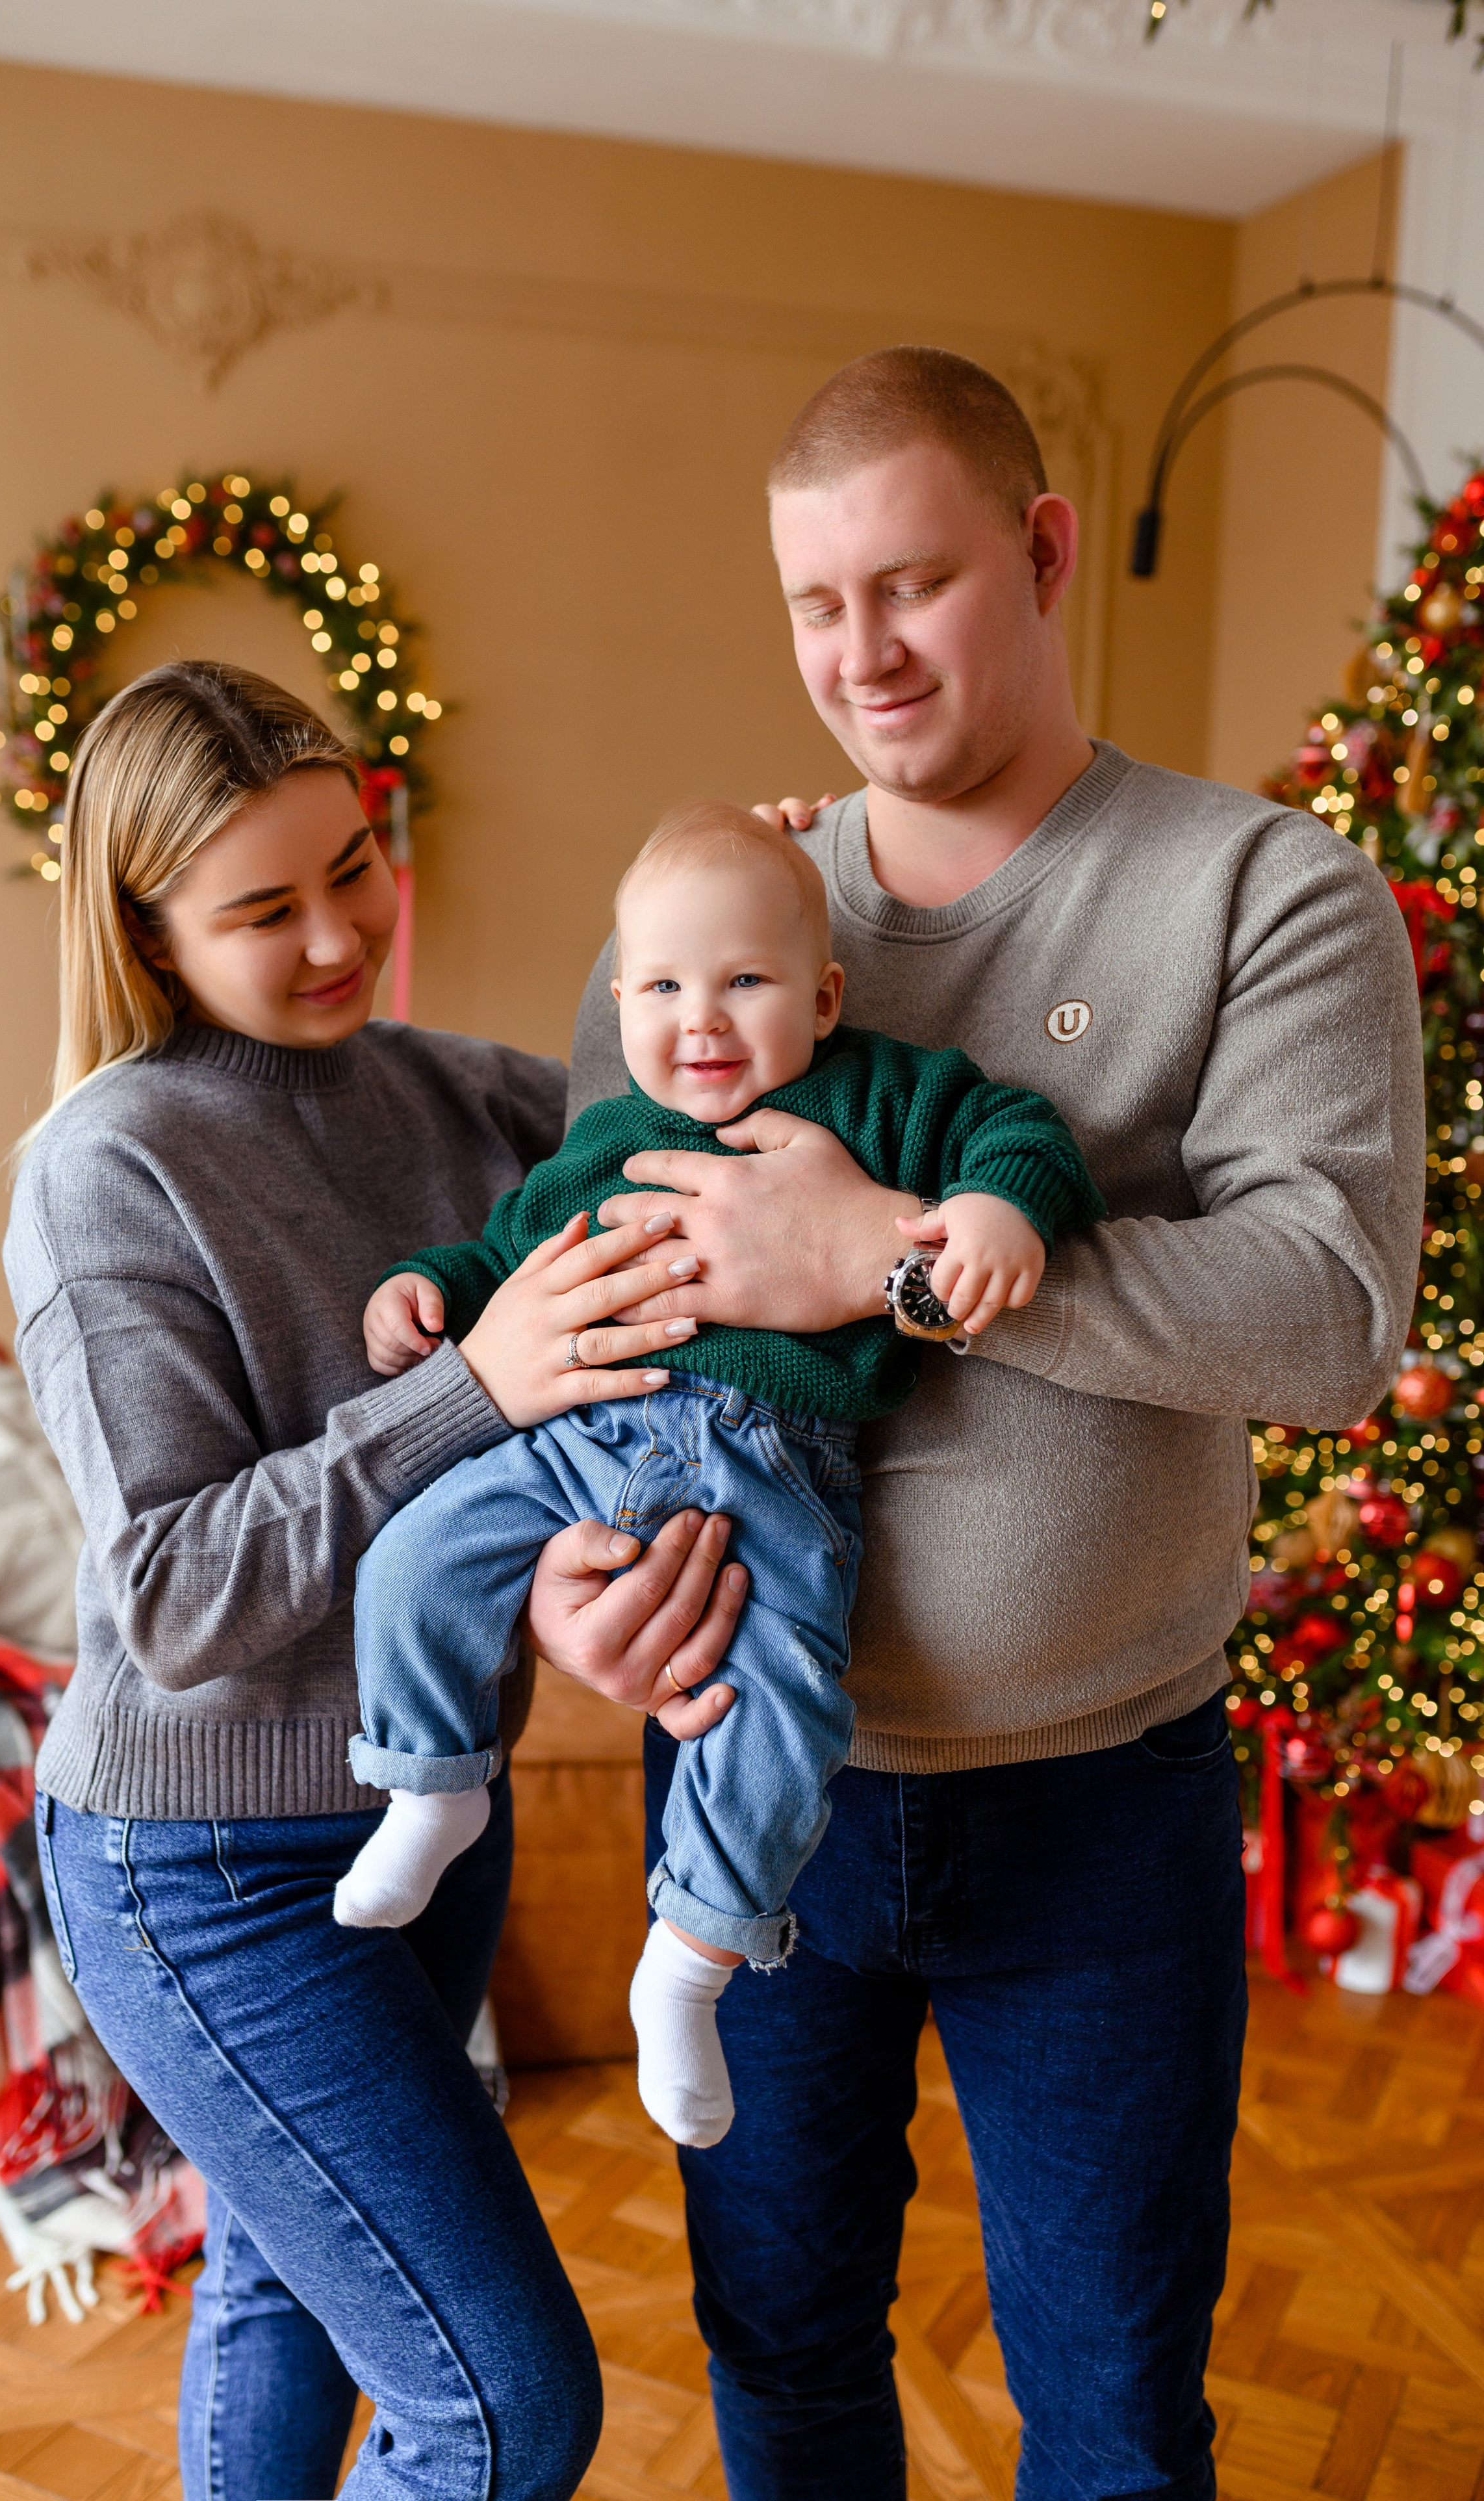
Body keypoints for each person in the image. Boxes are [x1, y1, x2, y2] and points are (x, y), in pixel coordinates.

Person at [561, 349, 1426, 2500]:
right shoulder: (706, 922)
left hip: (1098, 1810)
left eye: (915, 583)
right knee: (782, 2352)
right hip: (761, 1808)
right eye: (812, 602)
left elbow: (1327, 1319)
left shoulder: (1260, 893)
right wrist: (582, 1573)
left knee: (1119, 2409)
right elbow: (584, 1317)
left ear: (1045, 552)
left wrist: (879, 1254)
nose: (858, 654)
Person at [10, 659, 750, 2501]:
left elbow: (651, 1074)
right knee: (503, 2409)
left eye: (357, 867)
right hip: (203, 1870)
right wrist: (468, 1389)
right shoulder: (106, 1166)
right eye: (267, 908)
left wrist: (744, 888)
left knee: (290, 2282)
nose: (341, 935)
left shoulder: (449, 1094)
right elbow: (175, 1594)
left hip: (424, 1817)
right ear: (147, 928)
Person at [340, 798, 1101, 2154]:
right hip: (582, 1439)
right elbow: (510, 1253)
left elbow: (1019, 1131)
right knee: (410, 1554)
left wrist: (987, 1210)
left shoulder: (879, 1090)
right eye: (664, 987)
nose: (701, 1018)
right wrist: (428, 1290)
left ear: (819, 997)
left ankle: (686, 1957)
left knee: (785, 1701)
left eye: (744, 981)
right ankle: (434, 1779)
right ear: (621, 1001)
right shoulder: (604, 1139)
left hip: (773, 1467)